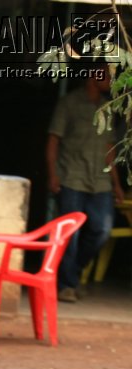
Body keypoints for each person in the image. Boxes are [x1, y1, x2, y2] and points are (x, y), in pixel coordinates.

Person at [47, 64, 124, 303]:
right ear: (93, 77)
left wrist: (117, 184)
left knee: (101, 230)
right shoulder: (69, 104)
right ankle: (67, 285)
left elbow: (108, 150)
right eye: (107, 76)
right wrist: (53, 174)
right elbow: (53, 141)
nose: (111, 81)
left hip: (100, 181)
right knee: (71, 233)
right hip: (72, 176)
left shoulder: (107, 108)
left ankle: (73, 273)